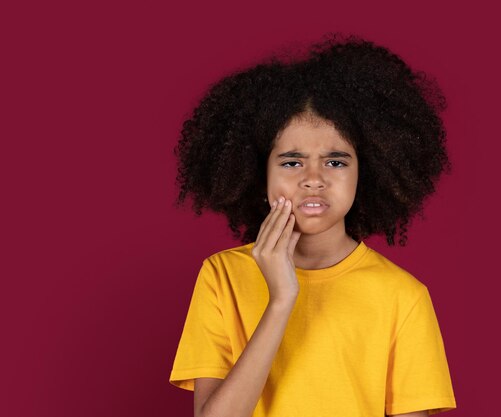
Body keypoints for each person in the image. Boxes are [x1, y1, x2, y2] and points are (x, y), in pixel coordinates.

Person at [169, 33, 457, 417]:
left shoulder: (403, 297)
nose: (314, 178)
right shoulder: (221, 277)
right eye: (291, 162)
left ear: (367, 173)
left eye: (336, 161)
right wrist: (282, 298)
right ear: (260, 174)